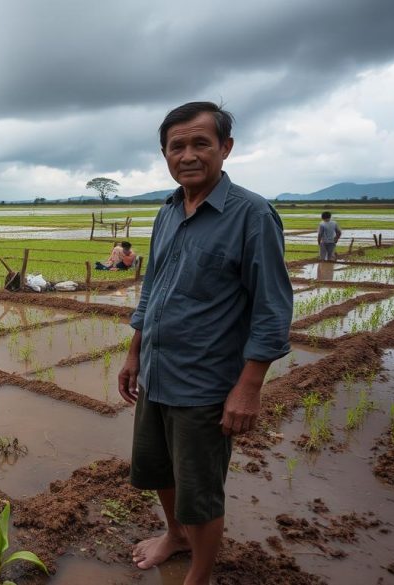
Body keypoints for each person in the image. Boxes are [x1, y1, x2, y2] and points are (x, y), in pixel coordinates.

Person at [117, 102, 293, 585]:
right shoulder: (168, 211)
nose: (188, 154)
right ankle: (174, 535)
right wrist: (134, 353)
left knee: (200, 490)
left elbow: (273, 309)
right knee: (158, 469)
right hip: (156, 372)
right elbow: (152, 287)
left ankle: (199, 573)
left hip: (204, 383)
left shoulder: (251, 215)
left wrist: (249, 387)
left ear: (225, 148)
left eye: (201, 143)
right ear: (165, 154)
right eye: (177, 146)